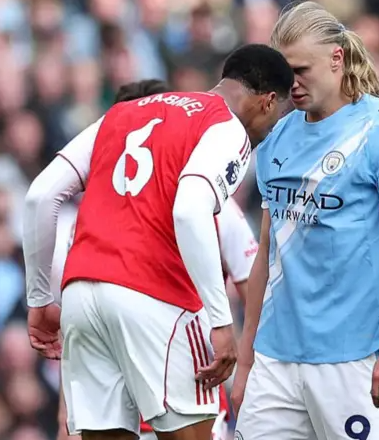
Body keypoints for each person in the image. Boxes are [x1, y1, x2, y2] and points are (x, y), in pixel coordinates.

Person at [23, 44, 293, 440]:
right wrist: (221, 322)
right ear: (268, 102)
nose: (269, 132)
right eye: (277, 119)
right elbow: (189, 209)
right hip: (157, 298)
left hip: (81, 293)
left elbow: (40, 195)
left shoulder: (121, 113)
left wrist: (39, 298)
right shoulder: (226, 127)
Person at [231, 3, 379, 439]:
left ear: (337, 59)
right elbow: (266, 253)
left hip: (355, 360)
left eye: (301, 70)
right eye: (284, 72)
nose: (291, 84)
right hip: (275, 360)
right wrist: (246, 361)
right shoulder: (275, 136)